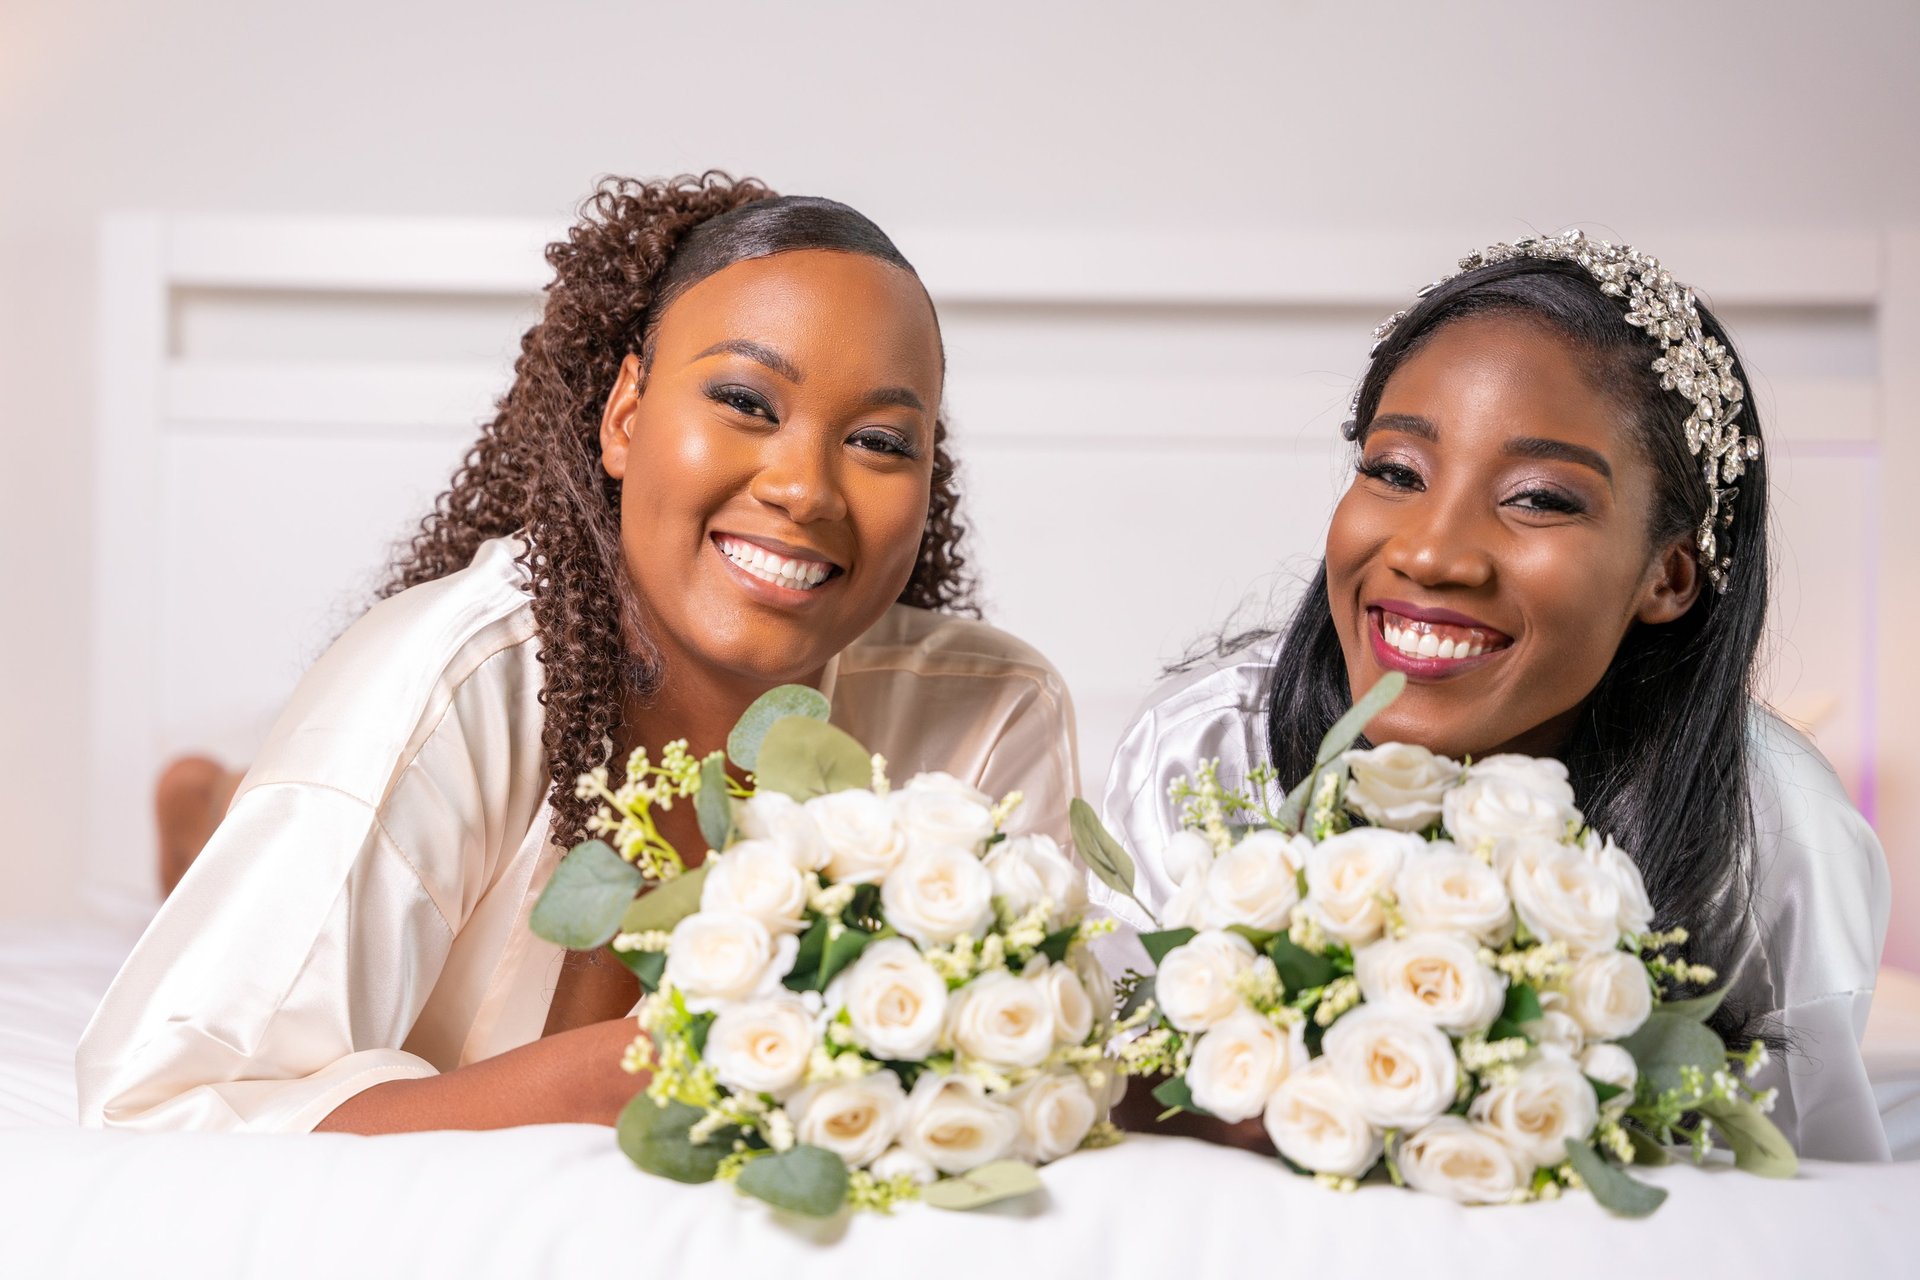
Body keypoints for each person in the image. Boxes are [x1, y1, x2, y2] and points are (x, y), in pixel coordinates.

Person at [78, 174, 1078, 1134]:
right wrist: (613, 1077)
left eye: (882, 442)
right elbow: (158, 1105)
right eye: (746, 400)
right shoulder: (445, 684)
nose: (805, 488)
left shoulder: (990, 717)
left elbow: (1034, 1060)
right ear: (625, 416)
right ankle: (208, 806)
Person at [1097, 233, 1891, 1162]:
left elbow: (1805, 1189)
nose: (1432, 553)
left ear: (1669, 575)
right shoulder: (1205, 751)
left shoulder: (1773, 830)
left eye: (1539, 499)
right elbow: (1119, 1129)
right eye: (1396, 472)